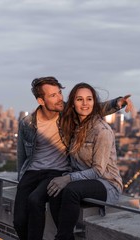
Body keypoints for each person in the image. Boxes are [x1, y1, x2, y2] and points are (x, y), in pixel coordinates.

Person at [14, 77, 132, 240]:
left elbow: (93, 108)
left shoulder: (71, 117)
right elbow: (21, 155)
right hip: (34, 172)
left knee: (37, 200)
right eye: (53, 95)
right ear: (41, 100)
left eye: (60, 93)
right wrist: (21, 179)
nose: (60, 98)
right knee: (19, 221)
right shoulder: (27, 123)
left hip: (62, 172)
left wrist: (117, 103)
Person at [47, 82, 123, 240]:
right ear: (73, 103)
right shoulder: (75, 126)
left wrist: (67, 178)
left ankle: (62, 237)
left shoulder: (102, 131)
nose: (85, 103)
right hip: (83, 179)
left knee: (70, 190)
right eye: (79, 99)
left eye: (89, 99)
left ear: (94, 102)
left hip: (106, 183)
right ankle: (66, 236)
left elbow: (98, 171)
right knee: (54, 188)